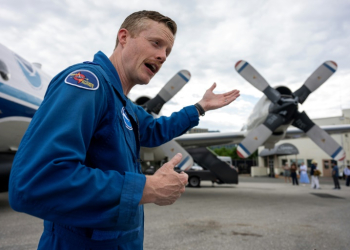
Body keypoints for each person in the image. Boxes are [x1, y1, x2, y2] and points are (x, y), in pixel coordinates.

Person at [8, 11, 240, 250]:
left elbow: (154, 130)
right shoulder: (87, 83)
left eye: (167, 52)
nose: (162, 56)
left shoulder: (125, 104)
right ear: (124, 37)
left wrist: (200, 107)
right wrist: (148, 187)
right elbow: (35, 182)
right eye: (156, 43)